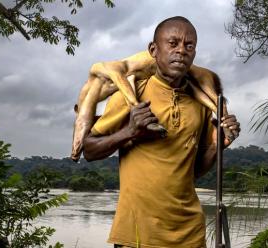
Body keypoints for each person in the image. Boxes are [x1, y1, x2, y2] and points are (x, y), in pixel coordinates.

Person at [83, 16, 241, 248]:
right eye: (173, 43)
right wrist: (130, 131)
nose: (181, 51)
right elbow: (88, 149)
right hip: (137, 233)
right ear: (153, 50)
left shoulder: (202, 105)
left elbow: (192, 172)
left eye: (189, 46)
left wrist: (218, 145)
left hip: (190, 234)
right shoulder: (132, 94)